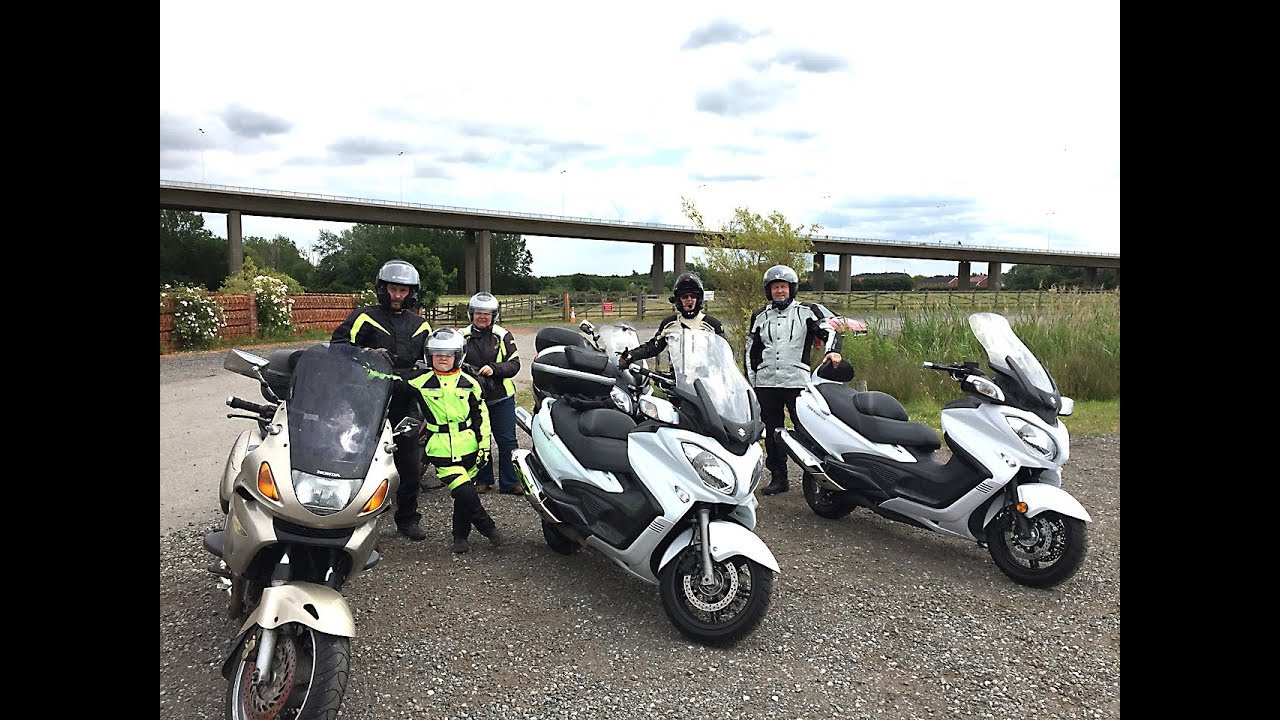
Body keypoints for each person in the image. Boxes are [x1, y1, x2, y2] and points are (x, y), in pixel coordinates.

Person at [330, 259, 433, 541]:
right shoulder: (364, 317)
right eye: (392, 289)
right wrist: (367, 353)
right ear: (382, 289)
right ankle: (348, 517)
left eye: (403, 290)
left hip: (404, 401)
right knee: (357, 460)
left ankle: (407, 519)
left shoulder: (421, 325)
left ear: (412, 293)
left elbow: (432, 362)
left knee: (409, 465)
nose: (397, 295)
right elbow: (337, 348)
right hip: (366, 401)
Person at [745, 264, 843, 496]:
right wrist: (751, 382)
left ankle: (819, 480)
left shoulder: (807, 311)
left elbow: (830, 330)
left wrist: (832, 351)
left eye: (783, 287)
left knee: (807, 430)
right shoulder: (759, 316)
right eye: (775, 287)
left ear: (792, 289)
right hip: (766, 383)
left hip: (797, 381)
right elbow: (751, 351)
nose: (779, 291)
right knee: (773, 432)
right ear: (769, 291)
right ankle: (779, 478)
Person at [409, 328, 504, 553]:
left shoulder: (470, 383)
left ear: (458, 355)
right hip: (440, 449)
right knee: (466, 491)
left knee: (464, 495)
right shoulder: (418, 382)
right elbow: (387, 383)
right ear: (429, 355)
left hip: (470, 448)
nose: (443, 358)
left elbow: (481, 418)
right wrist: (371, 367)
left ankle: (460, 537)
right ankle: (489, 528)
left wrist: (484, 447)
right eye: (437, 353)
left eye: (448, 354)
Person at [460, 292, 523, 495]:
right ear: (471, 314)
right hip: (473, 398)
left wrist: (494, 369)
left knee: (507, 440)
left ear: (494, 315)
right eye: (478, 312)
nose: (482, 317)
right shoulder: (461, 336)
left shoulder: (503, 335)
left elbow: (515, 364)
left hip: (501, 397)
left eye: (487, 313)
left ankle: (511, 481)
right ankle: (482, 479)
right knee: (479, 439)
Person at [619, 272, 725, 368]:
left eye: (692, 296)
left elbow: (724, 355)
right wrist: (631, 355)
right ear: (679, 300)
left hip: (705, 379)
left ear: (698, 299)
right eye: (685, 296)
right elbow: (653, 347)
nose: (689, 300)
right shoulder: (669, 324)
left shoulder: (713, 325)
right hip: (677, 378)